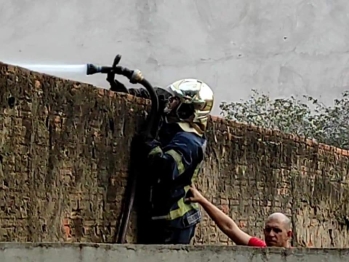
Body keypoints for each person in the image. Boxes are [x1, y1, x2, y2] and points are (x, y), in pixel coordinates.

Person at [140, 78, 215, 244]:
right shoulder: (180, 132)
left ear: (187, 109)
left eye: (176, 101)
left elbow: (163, 168)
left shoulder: (188, 141)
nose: (171, 103)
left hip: (175, 222)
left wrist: (149, 142)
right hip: (166, 219)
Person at [185, 185, 293, 248]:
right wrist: (201, 200)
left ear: (288, 234)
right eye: (268, 230)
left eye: (277, 230)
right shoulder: (260, 248)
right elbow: (229, 228)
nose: (271, 234)